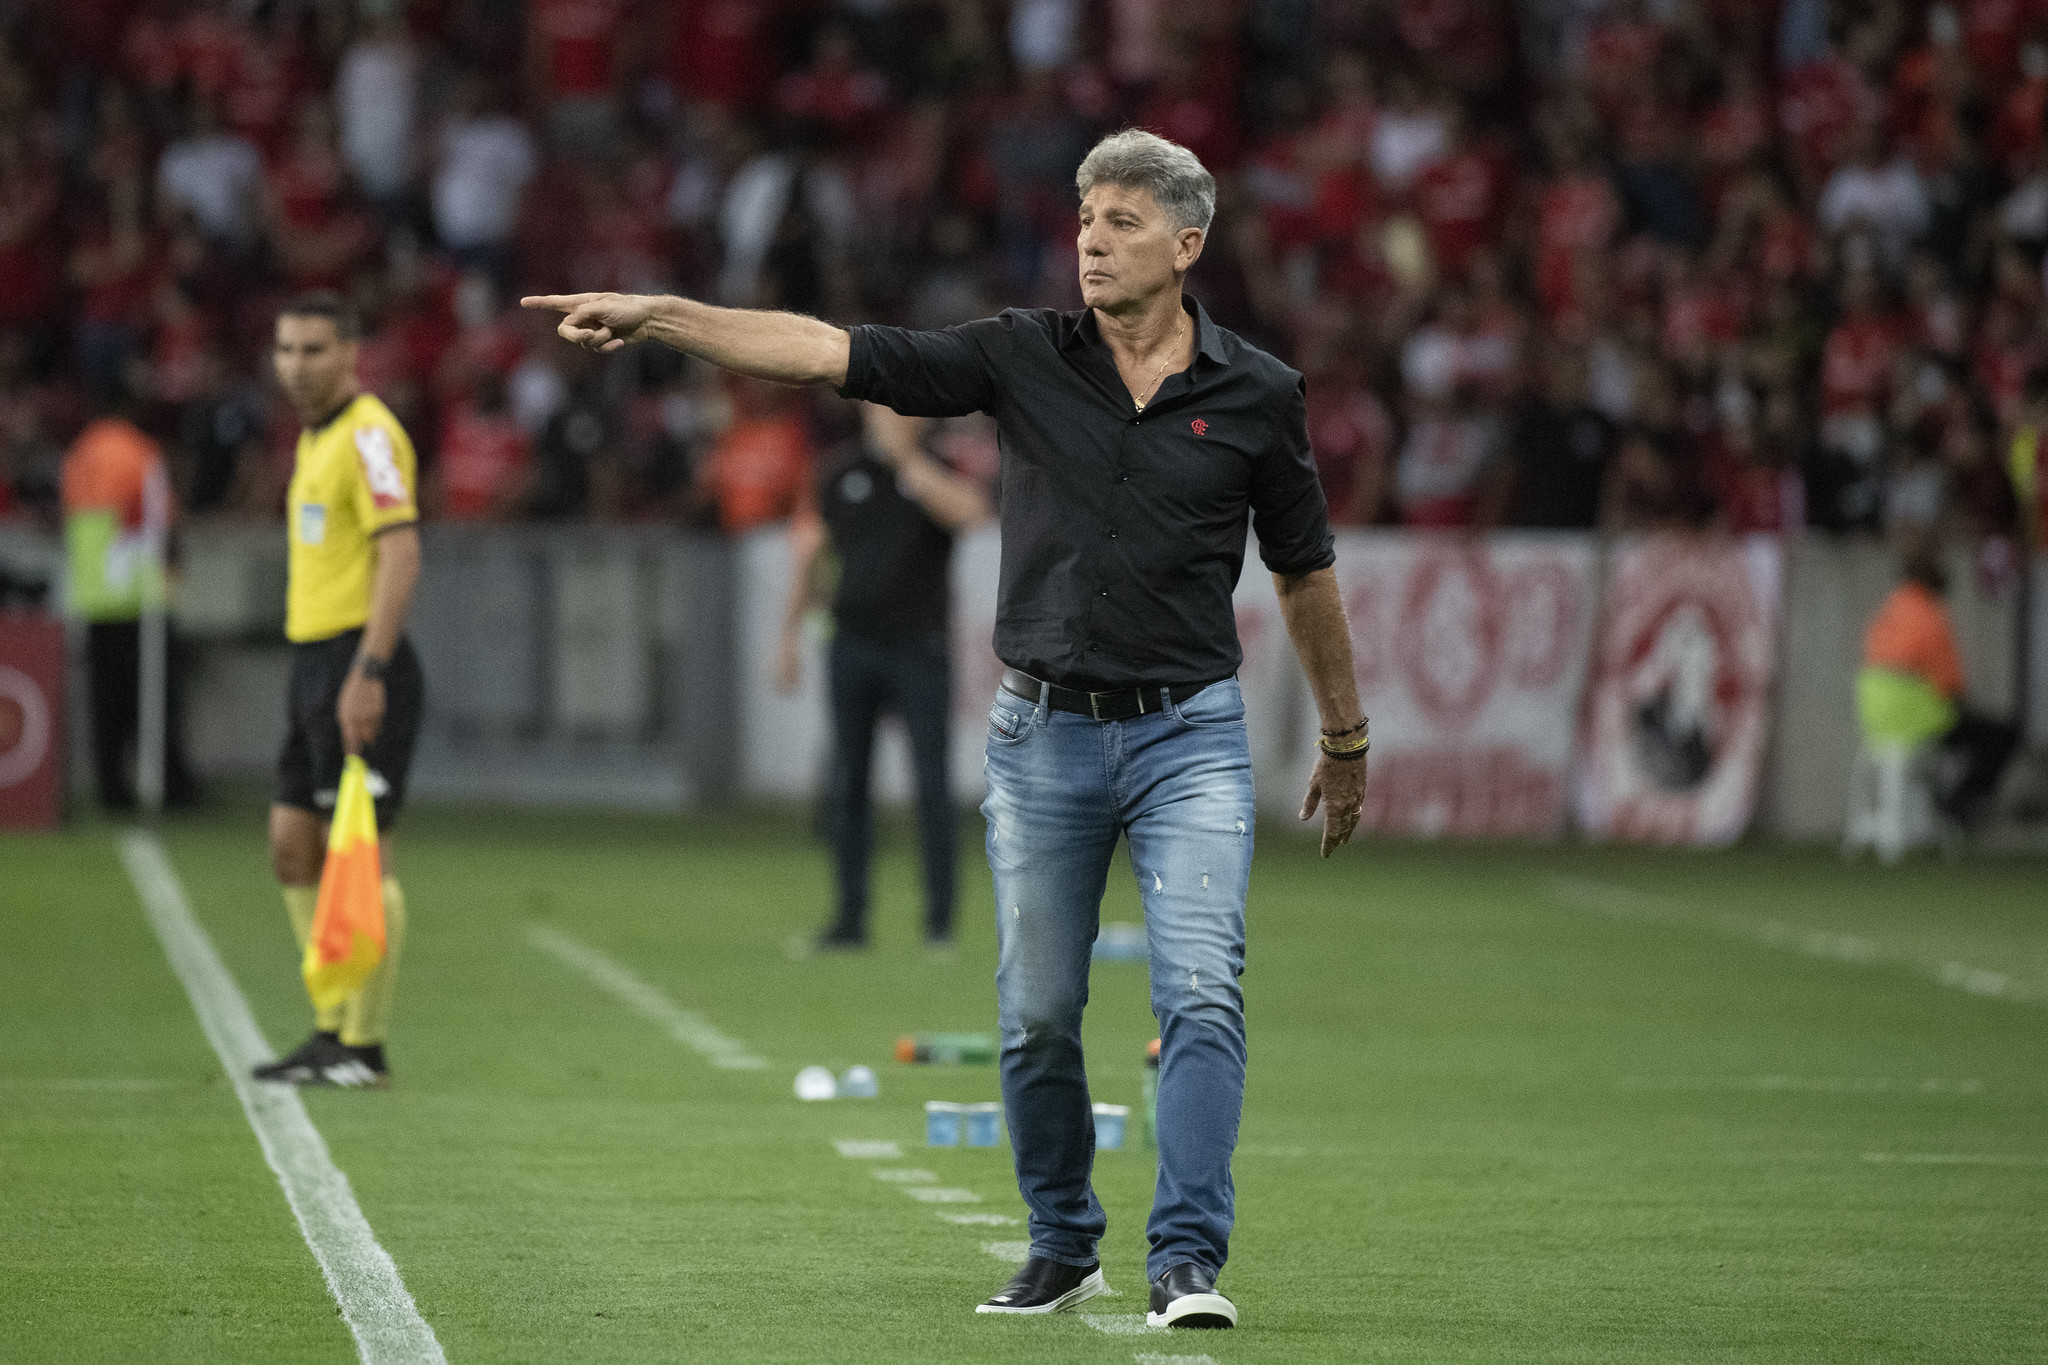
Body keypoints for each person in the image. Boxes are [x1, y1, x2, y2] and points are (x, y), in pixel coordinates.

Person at [526, 127, 1370, 1330]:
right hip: (1043, 738)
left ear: (1186, 244)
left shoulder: (1258, 394)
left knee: (1201, 991)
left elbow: (1304, 572)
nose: (1089, 238)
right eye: (1083, 218)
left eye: (1120, 221)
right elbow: (825, 351)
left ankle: (1185, 1262)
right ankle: (1062, 1242)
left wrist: (1343, 740)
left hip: (1190, 737)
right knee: (1035, 1012)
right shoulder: (1018, 356)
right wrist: (666, 314)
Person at [252, 292, 425, 1090]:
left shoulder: (368, 434)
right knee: (294, 844)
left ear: (351, 352)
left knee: (361, 854)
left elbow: (401, 553)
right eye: (286, 349)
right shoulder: (315, 437)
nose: (296, 365)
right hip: (313, 663)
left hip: (357, 662)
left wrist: (371, 668)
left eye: (313, 349)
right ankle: (330, 1026)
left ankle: (366, 1044)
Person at [776, 401, 993, 952]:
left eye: (903, 410)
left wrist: (910, 466)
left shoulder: (941, 467)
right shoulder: (839, 472)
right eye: (883, 408)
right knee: (849, 782)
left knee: (932, 783)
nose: (893, 418)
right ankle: (850, 921)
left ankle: (939, 925)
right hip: (851, 643)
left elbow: (968, 514)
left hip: (921, 648)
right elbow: (812, 553)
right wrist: (788, 637)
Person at [59, 409, 200, 811]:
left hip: (94, 598)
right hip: (140, 597)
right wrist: (174, 579)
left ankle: (111, 789)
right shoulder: (140, 454)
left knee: (105, 703)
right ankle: (170, 786)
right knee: (156, 700)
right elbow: (162, 522)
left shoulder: (78, 456)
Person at [1857, 543, 2019, 830]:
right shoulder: (1930, 614)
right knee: (2002, 734)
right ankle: (1959, 804)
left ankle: (1947, 803)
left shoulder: (1888, 610)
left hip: (1877, 722)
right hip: (1920, 720)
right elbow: (1951, 686)